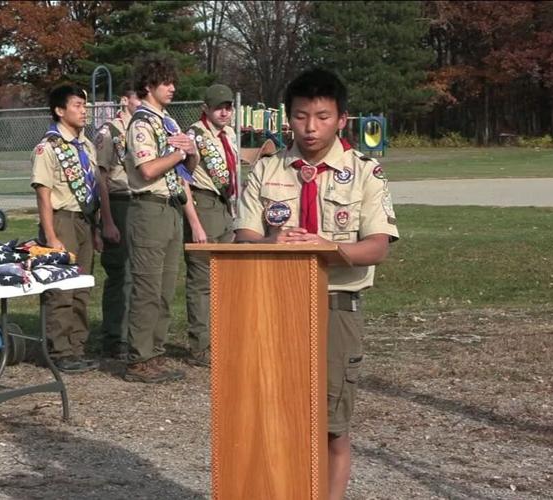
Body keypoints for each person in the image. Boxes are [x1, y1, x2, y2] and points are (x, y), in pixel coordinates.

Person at [234, 68, 399, 500]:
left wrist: (330, 248)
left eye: (322, 117)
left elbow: (377, 246)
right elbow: (244, 236)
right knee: (274, 418)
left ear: (341, 119)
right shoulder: (267, 168)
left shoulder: (365, 172)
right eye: (301, 116)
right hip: (273, 304)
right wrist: (270, 241)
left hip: (334, 304)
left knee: (331, 426)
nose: (310, 127)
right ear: (288, 117)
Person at [123, 55, 199, 383]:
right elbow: (148, 169)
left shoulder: (168, 122)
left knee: (166, 288)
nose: (172, 88)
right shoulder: (141, 123)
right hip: (149, 208)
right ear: (148, 86)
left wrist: (190, 152)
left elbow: (186, 171)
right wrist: (179, 153)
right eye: (165, 82)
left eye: (173, 82)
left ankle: (155, 351)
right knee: (147, 288)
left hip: (171, 207)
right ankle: (138, 359)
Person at [31, 84, 102, 373]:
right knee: (61, 288)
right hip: (61, 220)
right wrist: (51, 236)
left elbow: (94, 188)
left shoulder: (87, 146)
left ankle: (77, 346)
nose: (84, 111)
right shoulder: (48, 147)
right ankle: (58, 350)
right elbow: (43, 194)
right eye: (77, 106)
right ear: (60, 111)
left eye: (85, 106)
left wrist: (97, 227)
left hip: (85, 220)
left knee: (81, 286)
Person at [181, 84, 239, 367]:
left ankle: (222, 338)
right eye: (218, 108)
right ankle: (200, 346)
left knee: (225, 279)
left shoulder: (229, 134)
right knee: (202, 282)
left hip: (224, 207)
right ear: (205, 108)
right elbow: (182, 179)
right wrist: (195, 223)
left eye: (228, 107)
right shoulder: (195, 136)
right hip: (203, 205)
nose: (224, 112)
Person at [94, 87, 142, 361]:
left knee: (139, 273)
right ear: (125, 100)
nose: (142, 103)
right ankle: (114, 337)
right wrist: (108, 221)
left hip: (141, 202)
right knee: (120, 273)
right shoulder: (109, 132)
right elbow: (101, 178)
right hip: (118, 201)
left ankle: (133, 334)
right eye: (138, 98)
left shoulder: (144, 128)